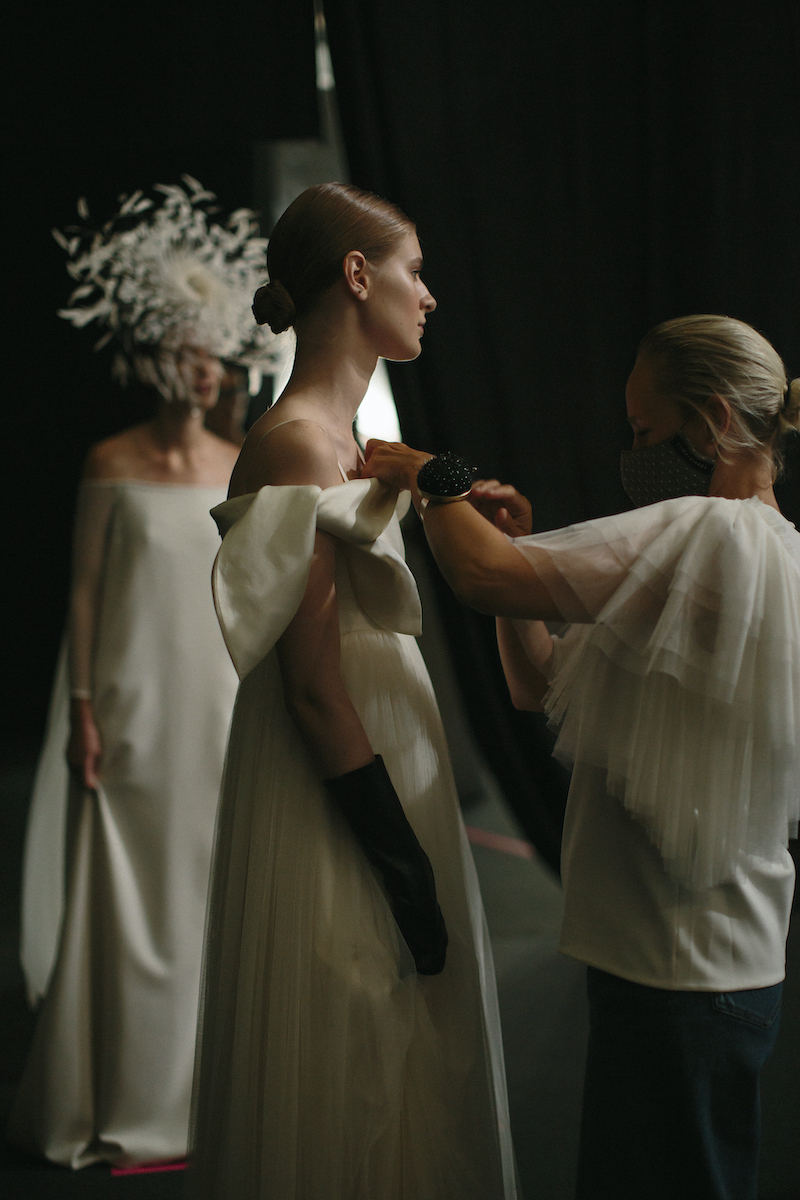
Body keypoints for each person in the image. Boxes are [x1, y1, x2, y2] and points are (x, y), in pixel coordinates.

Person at [362, 314, 800, 1200]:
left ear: (711, 421)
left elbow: (481, 575)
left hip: (682, 969)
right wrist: (513, 549)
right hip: (676, 961)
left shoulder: (711, 535)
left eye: (645, 430)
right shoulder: (762, 547)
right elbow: (540, 682)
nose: (632, 450)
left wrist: (431, 478)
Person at [189, 182, 518, 1200]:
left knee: (400, 1054)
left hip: (381, 766)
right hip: (339, 792)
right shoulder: (293, 444)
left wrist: (438, 483)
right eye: (413, 270)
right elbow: (314, 689)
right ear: (357, 273)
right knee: (354, 1044)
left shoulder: (346, 445)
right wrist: (401, 865)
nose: (428, 296)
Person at [10, 179, 286, 1169]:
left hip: (215, 699)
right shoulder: (108, 460)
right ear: (150, 352)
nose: (204, 367)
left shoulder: (238, 461)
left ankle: (205, 1100)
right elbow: (85, 593)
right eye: (185, 347)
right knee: (130, 898)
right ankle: (128, 1103)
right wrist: (80, 706)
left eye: (213, 349)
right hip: (129, 705)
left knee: (210, 887)